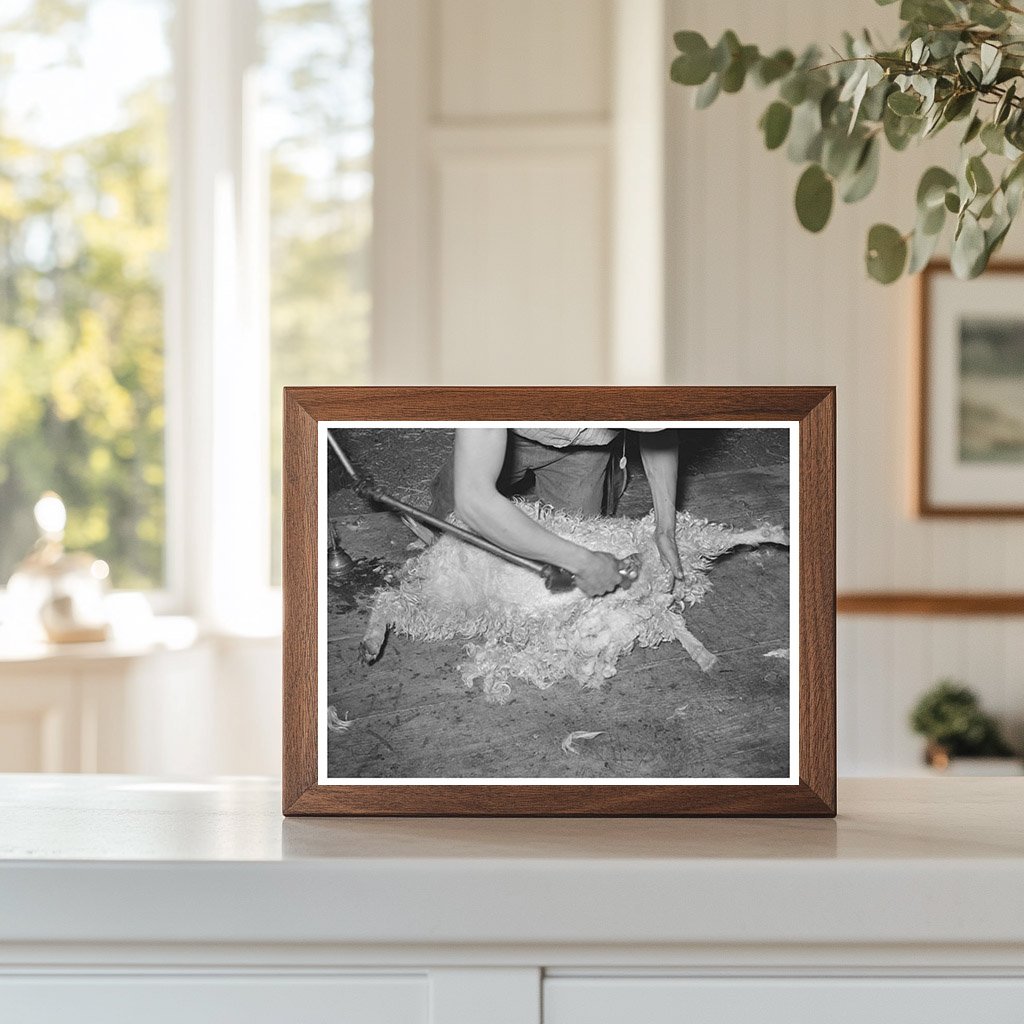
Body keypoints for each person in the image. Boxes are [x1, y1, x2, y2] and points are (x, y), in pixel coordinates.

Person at [430, 427, 684, 597]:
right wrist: (584, 562)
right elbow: (474, 499)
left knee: (575, 565)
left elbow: (660, 431)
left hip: (586, 448)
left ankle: (612, 466)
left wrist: (665, 528)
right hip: (508, 433)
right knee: (447, 543)